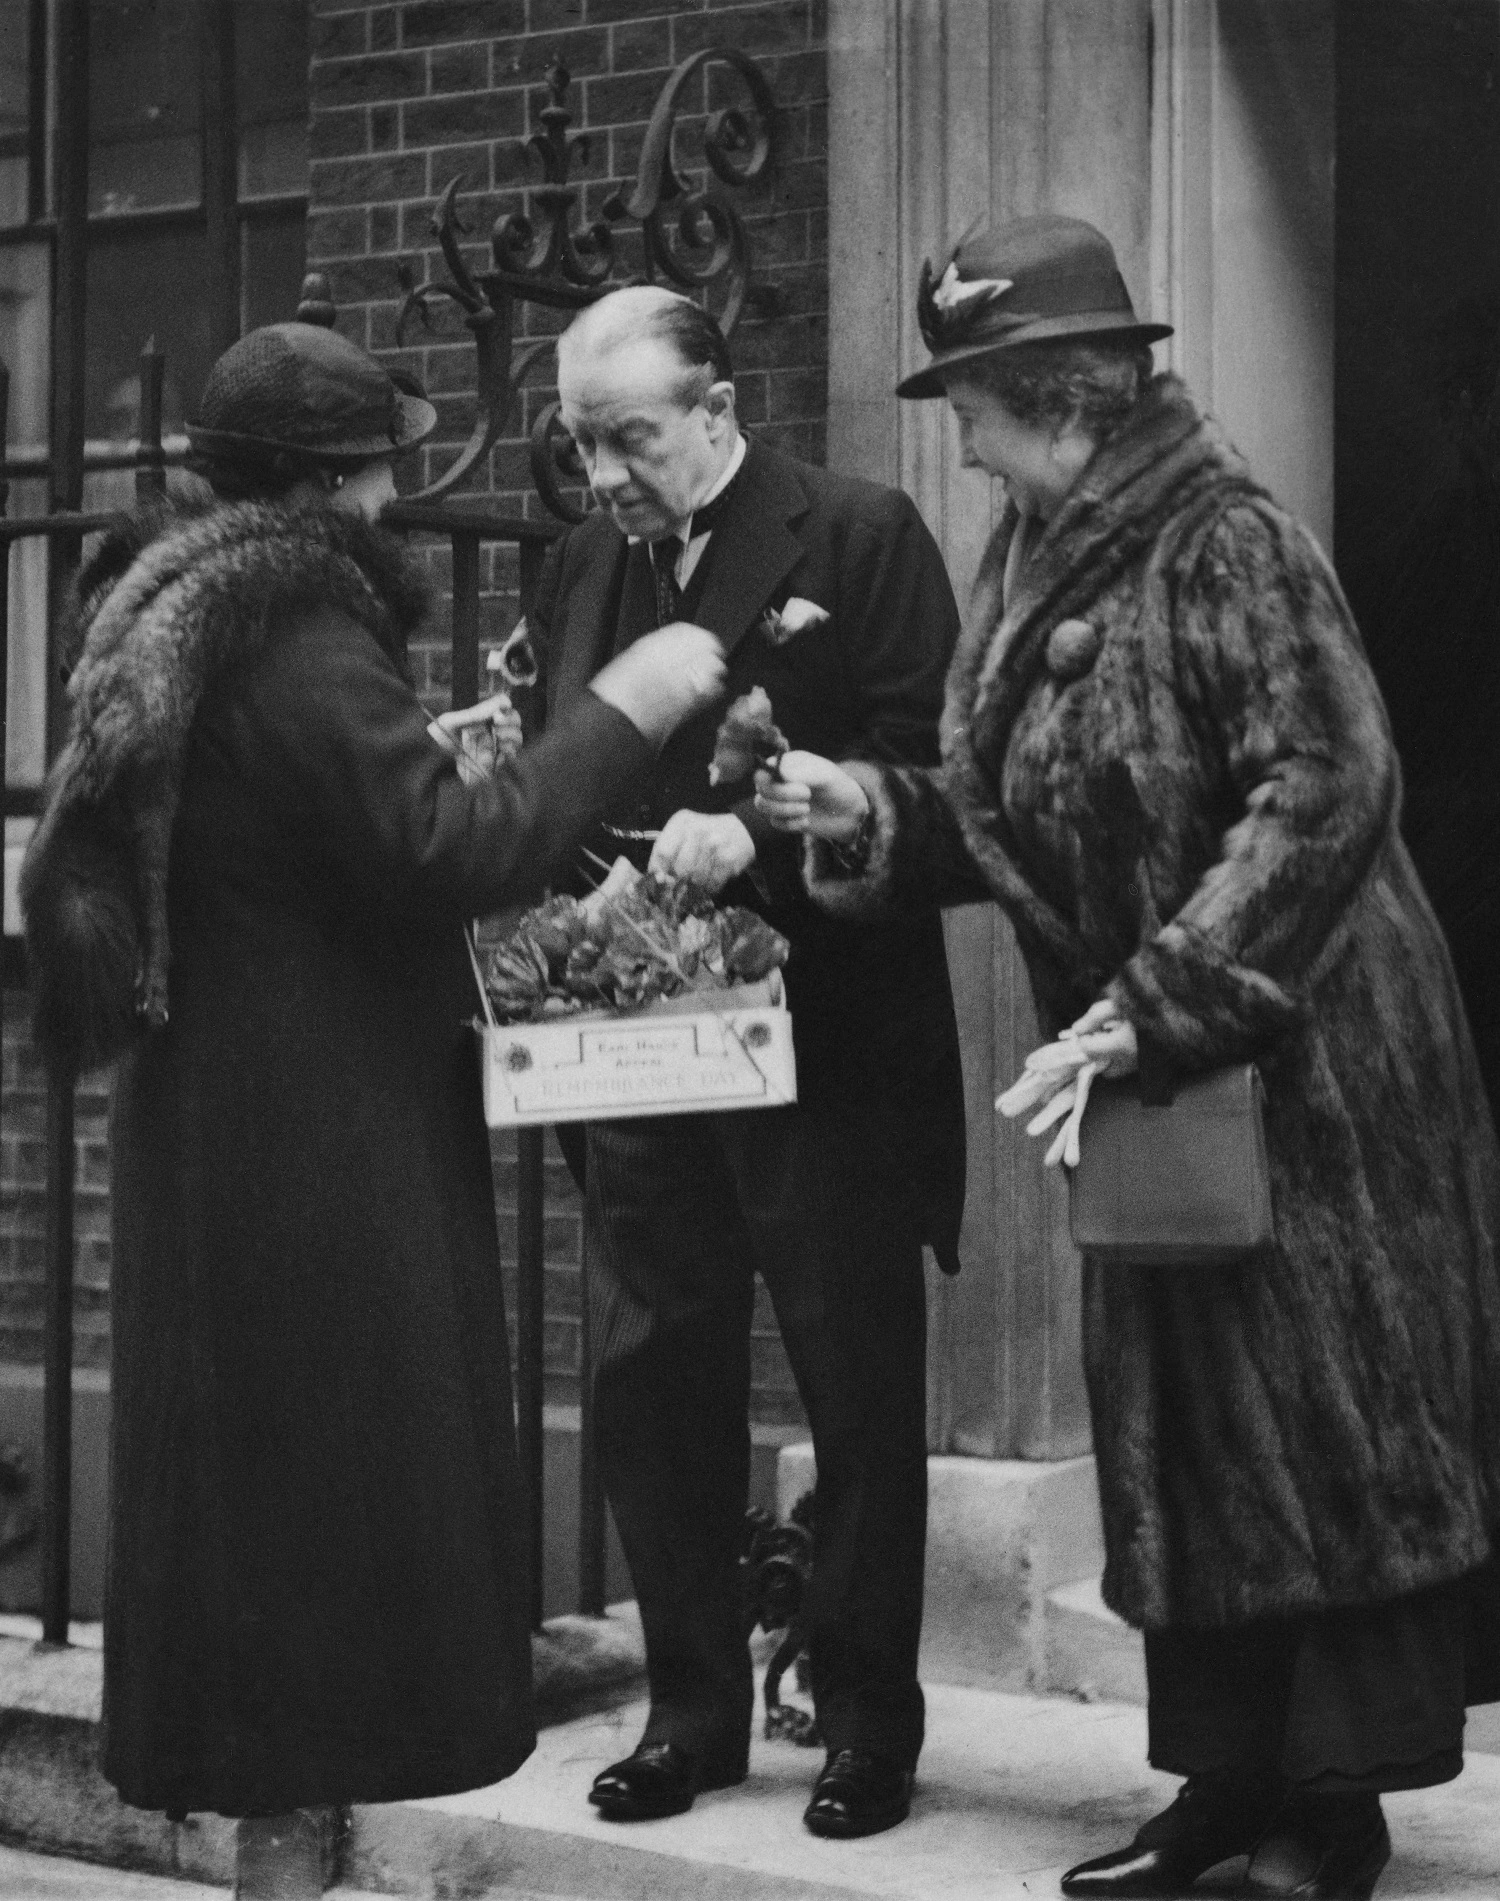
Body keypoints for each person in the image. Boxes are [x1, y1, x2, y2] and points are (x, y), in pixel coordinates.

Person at [758, 215, 1500, 1899]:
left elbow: (1328, 783)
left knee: (1324, 1427)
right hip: (1158, 1064)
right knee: (1191, 1427)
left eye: (971, 404)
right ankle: (1225, 1783)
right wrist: (864, 811)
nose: (957, 437)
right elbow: (1013, 809)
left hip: (1305, 1063)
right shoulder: (1038, 549)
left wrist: (1163, 995)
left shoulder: (1227, 540)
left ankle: (1336, 1805)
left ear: (1060, 401)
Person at [21, 320, 725, 1900]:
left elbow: (296, 823)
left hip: (222, 1134)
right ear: (331, 480)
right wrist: (623, 708)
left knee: (261, 1547)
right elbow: (443, 856)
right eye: (380, 471)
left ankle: (283, 1861)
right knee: (326, 1548)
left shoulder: (173, 604)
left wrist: (431, 761)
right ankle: (289, 1870)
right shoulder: (298, 626)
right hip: (320, 1149)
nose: (397, 498)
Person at [534, 285, 966, 1839]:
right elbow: (565, 761)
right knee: (653, 1376)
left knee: (855, 1385)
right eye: (581, 445)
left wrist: (771, 832)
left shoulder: (858, 536)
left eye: (629, 440)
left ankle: (862, 1725)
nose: (603, 477)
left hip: (826, 1049)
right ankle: (693, 1715)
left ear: (718, 410)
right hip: (638, 1052)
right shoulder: (584, 564)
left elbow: (938, 774)